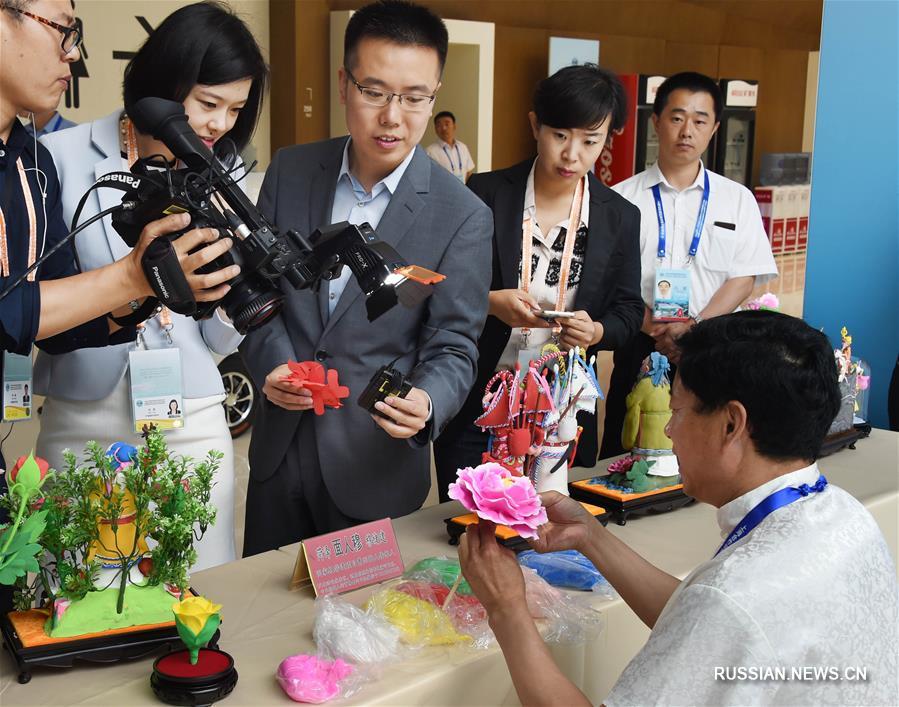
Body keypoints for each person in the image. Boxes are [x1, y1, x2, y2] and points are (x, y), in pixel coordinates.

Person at [459, 311, 898, 706]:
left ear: (731, 424)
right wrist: (590, 536)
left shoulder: (733, 596)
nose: (668, 429)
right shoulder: (843, 513)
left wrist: (506, 609)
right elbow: (703, 620)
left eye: (678, 411)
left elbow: (721, 612)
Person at [0, 0, 237, 614]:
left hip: (193, 413)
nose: (218, 125)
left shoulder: (222, 173)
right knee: (73, 599)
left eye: (235, 110)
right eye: (208, 103)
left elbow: (217, 334)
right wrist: (139, 280)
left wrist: (220, 295)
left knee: (198, 596)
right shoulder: (58, 154)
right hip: (83, 412)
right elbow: (29, 308)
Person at [239, 0, 491, 556]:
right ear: (343, 85)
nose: (392, 117)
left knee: (363, 631)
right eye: (374, 92)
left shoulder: (462, 215)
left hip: (373, 458)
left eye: (415, 97)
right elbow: (256, 288)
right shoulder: (291, 170)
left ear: (435, 94)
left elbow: (454, 343)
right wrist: (272, 362)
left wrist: (427, 400)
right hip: (280, 449)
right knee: (259, 616)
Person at [434, 64, 643, 497]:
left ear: (608, 139)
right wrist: (490, 302)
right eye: (560, 135)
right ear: (535, 125)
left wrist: (597, 331)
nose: (572, 154)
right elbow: (444, 284)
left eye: (591, 141)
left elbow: (629, 309)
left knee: (555, 530)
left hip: (564, 405)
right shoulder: (486, 194)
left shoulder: (619, 216)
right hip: (482, 397)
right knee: (469, 523)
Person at [601, 72, 777, 459]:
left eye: (699, 120)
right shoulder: (619, 199)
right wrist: (654, 326)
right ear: (656, 121)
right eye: (677, 117)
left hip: (710, 347)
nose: (687, 131)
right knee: (627, 445)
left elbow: (744, 277)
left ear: (714, 128)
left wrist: (693, 331)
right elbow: (610, 281)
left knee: (709, 453)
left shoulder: (737, 200)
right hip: (639, 345)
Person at [425, 110, 474, 182]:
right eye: (439, 125)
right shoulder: (430, 152)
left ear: (454, 126)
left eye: (447, 124)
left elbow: (468, 172)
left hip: (463, 191)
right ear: (435, 129)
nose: (444, 128)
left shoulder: (463, 147)